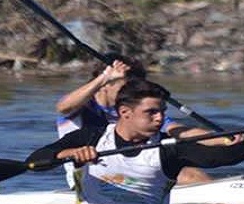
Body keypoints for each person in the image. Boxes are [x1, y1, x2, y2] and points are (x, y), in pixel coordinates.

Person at [28, 79, 244, 204]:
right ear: (125, 112)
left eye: (162, 112)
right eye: (151, 112)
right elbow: (36, 161)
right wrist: (69, 155)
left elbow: (219, 158)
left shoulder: (167, 147)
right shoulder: (91, 137)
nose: (159, 119)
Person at [55, 53, 213, 187]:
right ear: (105, 85)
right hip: (89, 177)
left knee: (191, 172)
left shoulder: (137, 110)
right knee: (188, 176)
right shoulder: (81, 106)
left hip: (132, 170)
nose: (132, 94)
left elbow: (179, 131)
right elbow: (63, 107)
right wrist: (104, 77)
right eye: (126, 88)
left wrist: (222, 139)